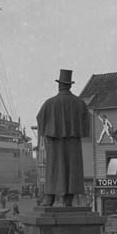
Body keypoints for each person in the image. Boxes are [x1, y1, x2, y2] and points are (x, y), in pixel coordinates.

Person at [36, 69, 93, 206]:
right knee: (72, 170)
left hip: (54, 141)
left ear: (59, 85)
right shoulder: (79, 103)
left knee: (54, 169)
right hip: (73, 142)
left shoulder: (50, 103)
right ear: (70, 85)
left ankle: (49, 198)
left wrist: (49, 132)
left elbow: (40, 119)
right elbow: (87, 121)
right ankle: (68, 199)